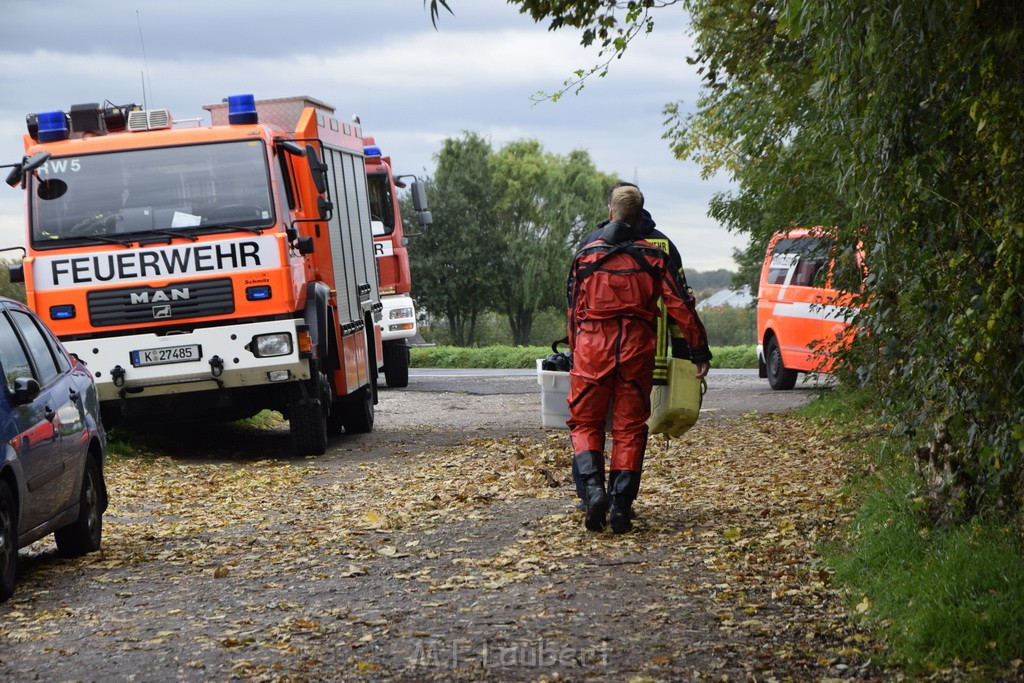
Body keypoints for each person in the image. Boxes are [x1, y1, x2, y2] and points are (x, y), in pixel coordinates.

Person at [566, 184, 711, 533]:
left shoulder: (586, 254)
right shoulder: (655, 257)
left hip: (592, 350)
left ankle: (593, 490)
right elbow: (681, 306)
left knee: (585, 423)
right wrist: (698, 352)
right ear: (640, 216)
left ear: (611, 212)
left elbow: (574, 311)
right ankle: (621, 508)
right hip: (636, 350)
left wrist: (575, 351)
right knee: (630, 429)